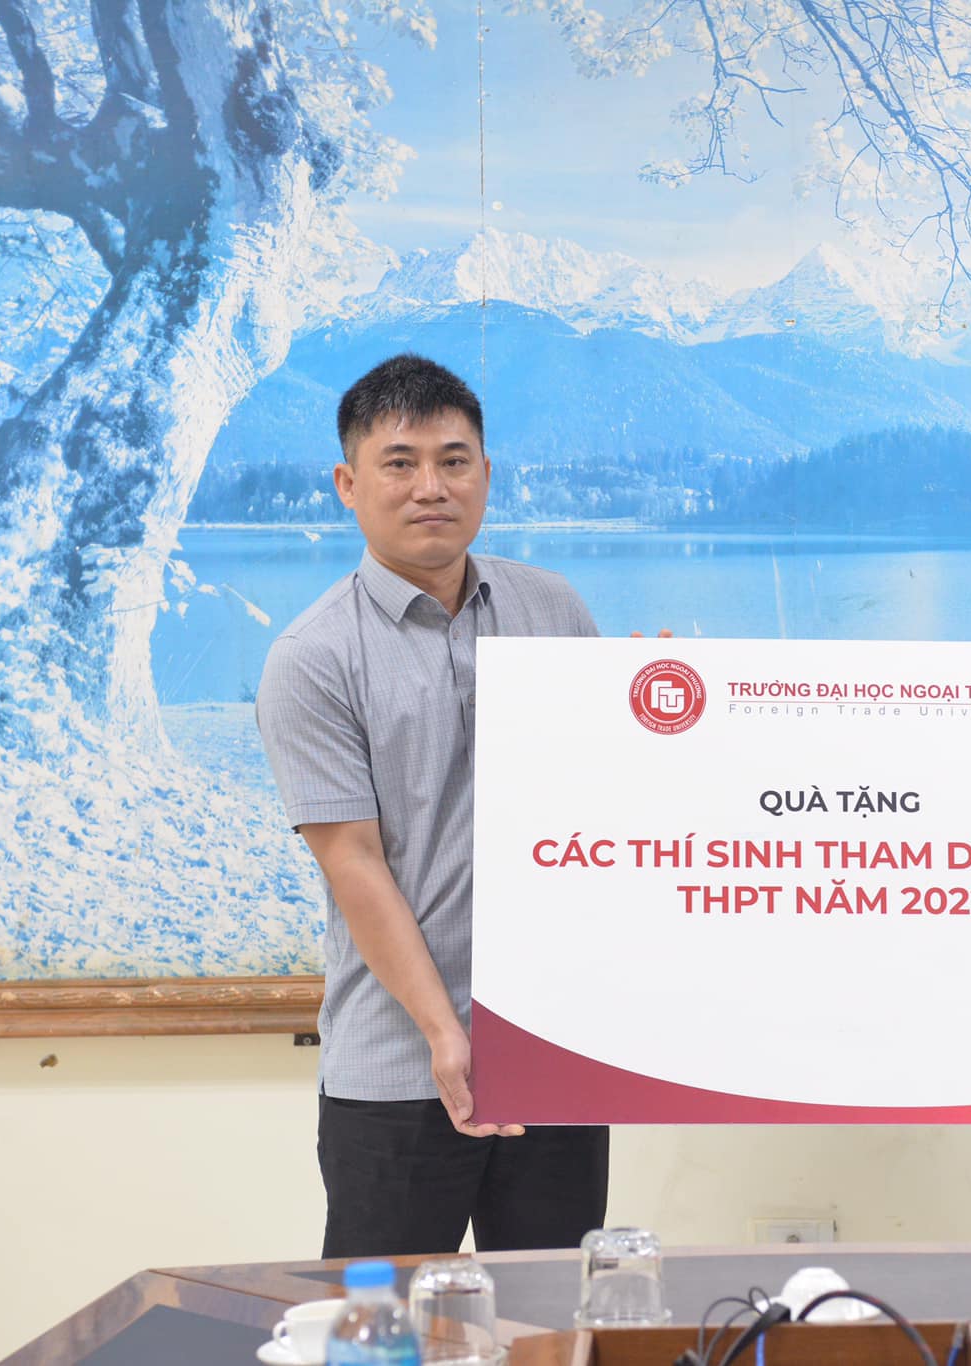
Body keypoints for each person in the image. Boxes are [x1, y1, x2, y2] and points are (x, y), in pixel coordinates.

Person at [256, 353, 609, 1258]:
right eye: (400, 463)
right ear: (349, 484)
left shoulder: (554, 608)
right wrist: (445, 1033)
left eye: (454, 461)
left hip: (550, 1052)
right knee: (384, 1321)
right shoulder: (314, 656)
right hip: (397, 1067)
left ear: (485, 473)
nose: (431, 487)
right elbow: (353, 862)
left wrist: (652, 718)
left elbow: (601, 809)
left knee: (552, 1312)